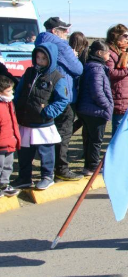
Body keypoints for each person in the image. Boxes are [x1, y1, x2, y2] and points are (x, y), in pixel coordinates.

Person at [12, 44, 68, 190]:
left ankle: (47, 176)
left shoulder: (57, 77)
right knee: (24, 152)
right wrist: (15, 106)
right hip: (25, 120)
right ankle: (24, 177)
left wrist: (47, 112)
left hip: (43, 123)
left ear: (51, 59)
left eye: (44, 58)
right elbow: (19, 92)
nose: (40, 61)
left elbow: (62, 100)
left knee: (46, 151)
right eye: (38, 57)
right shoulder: (29, 72)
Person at [35, 17, 83, 181]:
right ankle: (61, 168)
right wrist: (74, 56)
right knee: (63, 132)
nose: (66, 33)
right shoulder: (61, 45)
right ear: (55, 31)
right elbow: (77, 69)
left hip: (46, 94)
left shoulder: (40, 42)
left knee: (48, 132)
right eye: (63, 30)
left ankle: (48, 168)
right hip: (63, 94)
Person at [76, 41, 114, 175]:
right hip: (94, 110)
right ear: (99, 53)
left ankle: (89, 165)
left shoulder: (90, 66)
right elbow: (97, 91)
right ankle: (92, 166)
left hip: (87, 109)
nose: (109, 55)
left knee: (90, 139)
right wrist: (107, 105)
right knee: (95, 140)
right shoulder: (97, 68)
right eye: (107, 52)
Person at [0, 75, 20, 197]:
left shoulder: (9, 103)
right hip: (1, 143)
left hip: (10, 141)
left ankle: (4, 184)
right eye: (8, 90)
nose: (11, 92)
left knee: (8, 165)